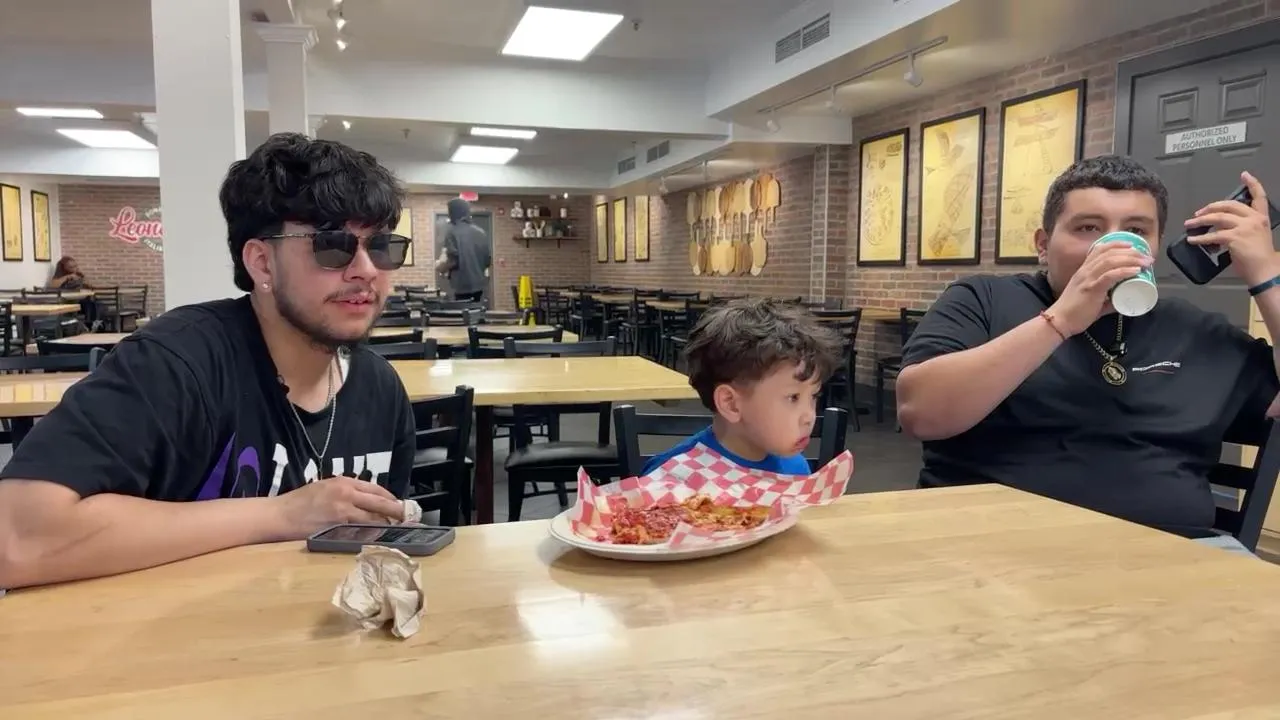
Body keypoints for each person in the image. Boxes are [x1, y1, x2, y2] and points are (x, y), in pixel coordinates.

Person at [0, 133, 418, 589]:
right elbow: (16, 538)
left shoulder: (380, 389)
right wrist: (279, 515)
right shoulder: (175, 364)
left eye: (382, 246)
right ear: (262, 263)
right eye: (333, 245)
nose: (367, 270)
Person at [896, 155, 1280, 548]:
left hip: (1172, 551)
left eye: (1136, 230)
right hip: (992, 545)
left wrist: (1266, 275)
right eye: (1088, 228)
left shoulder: (1195, 330)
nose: (1113, 246)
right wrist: (1061, 320)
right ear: (1043, 244)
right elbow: (922, 414)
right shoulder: (984, 300)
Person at [641, 298, 842, 476]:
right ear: (731, 403)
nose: (809, 417)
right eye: (793, 398)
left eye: (814, 396)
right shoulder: (672, 479)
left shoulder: (796, 468)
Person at [440, 198, 491, 302]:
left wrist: (441, 267)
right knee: (476, 310)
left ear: (453, 213)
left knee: (461, 311)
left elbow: (453, 260)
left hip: (460, 287)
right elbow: (487, 261)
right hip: (479, 286)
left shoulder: (452, 232)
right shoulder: (481, 232)